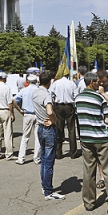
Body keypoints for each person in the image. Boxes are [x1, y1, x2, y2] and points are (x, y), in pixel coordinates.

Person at [75, 71, 108, 215]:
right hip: (101, 138)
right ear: (92, 82)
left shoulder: (78, 98)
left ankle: (89, 202)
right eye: (97, 82)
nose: (99, 84)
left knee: (88, 171)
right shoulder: (99, 98)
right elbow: (107, 119)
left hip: (86, 139)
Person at [34, 71, 64, 200]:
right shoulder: (46, 95)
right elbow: (50, 110)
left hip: (40, 126)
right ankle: (48, 190)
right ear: (50, 82)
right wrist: (54, 119)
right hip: (48, 128)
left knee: (44, 159)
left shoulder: (35, 92)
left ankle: (44, 185)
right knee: (49, 161)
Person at [49, 72, 78, 159]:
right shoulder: (71, 83)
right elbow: (76, 95)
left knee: (59, 129)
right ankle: (73, 152)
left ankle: (58, 153)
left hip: (59, 106)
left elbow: (51, 94)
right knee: (71, 129)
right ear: (68, 75)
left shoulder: (55, 83)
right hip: (69, 106)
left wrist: (53, 102)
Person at [14, 74, 41, 165]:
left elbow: (14, 100)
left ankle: (21, 158)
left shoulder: (24, 90)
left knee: (25, 137)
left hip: (27, 114)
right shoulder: (38, 90)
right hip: (37, 115)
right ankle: (36, 158)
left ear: (28, 81)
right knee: (37, 137)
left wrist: (19, 110)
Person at [0, 72, 15, 160]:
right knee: (7, 133)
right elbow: (10, 102)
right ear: (4, 79)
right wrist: (12, 113)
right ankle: (9, 153)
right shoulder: (7, 88)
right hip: (5, 111)